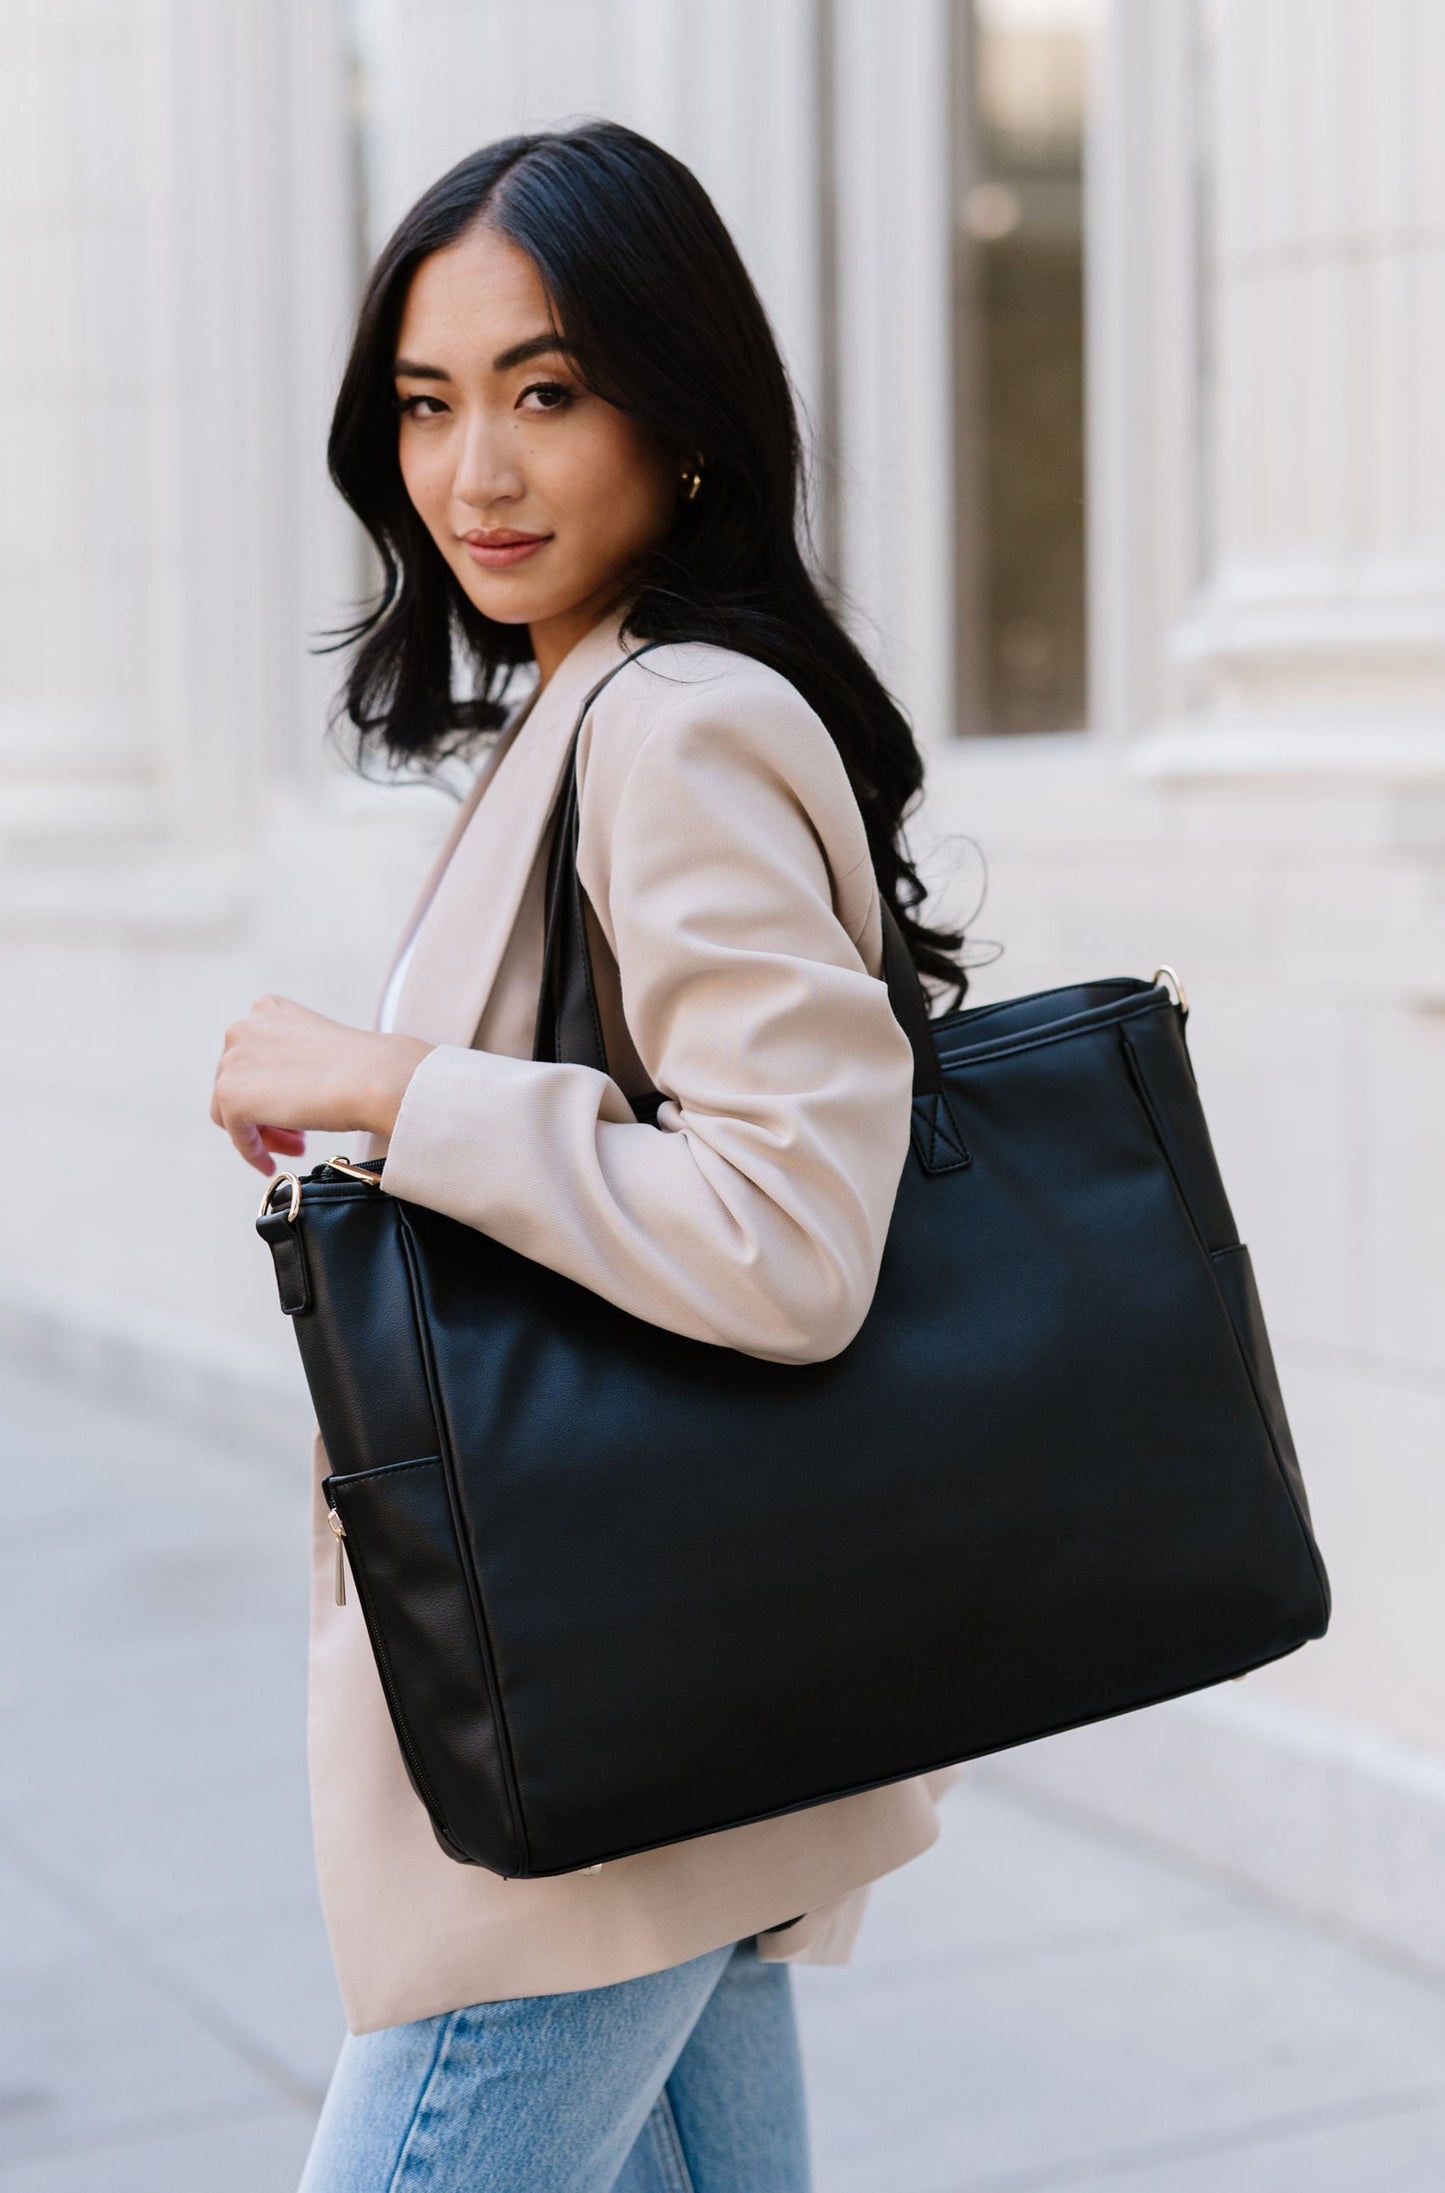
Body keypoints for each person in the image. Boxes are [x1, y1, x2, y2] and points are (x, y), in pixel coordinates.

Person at [210, 117, 968, 2193]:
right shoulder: (583, 711)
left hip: (606, 1723)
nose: (478, 471)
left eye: (547, 392)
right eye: (430, 406)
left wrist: (389, 1086)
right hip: (664, 1701)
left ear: (687, 414)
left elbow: (791, 1231)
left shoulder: (670, 723)